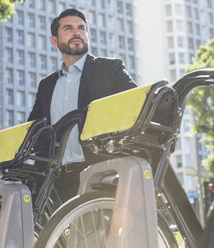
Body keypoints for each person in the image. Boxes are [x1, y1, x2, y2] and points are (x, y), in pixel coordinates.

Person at [28, 8, 137, 202]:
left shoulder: (110, 69)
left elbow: (136, 107)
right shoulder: (46, 86)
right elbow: (34, 131)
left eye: (81, 28)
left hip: (102, 175)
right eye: (68, 28)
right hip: (57, 182)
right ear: (55, 41)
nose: (77, 32)